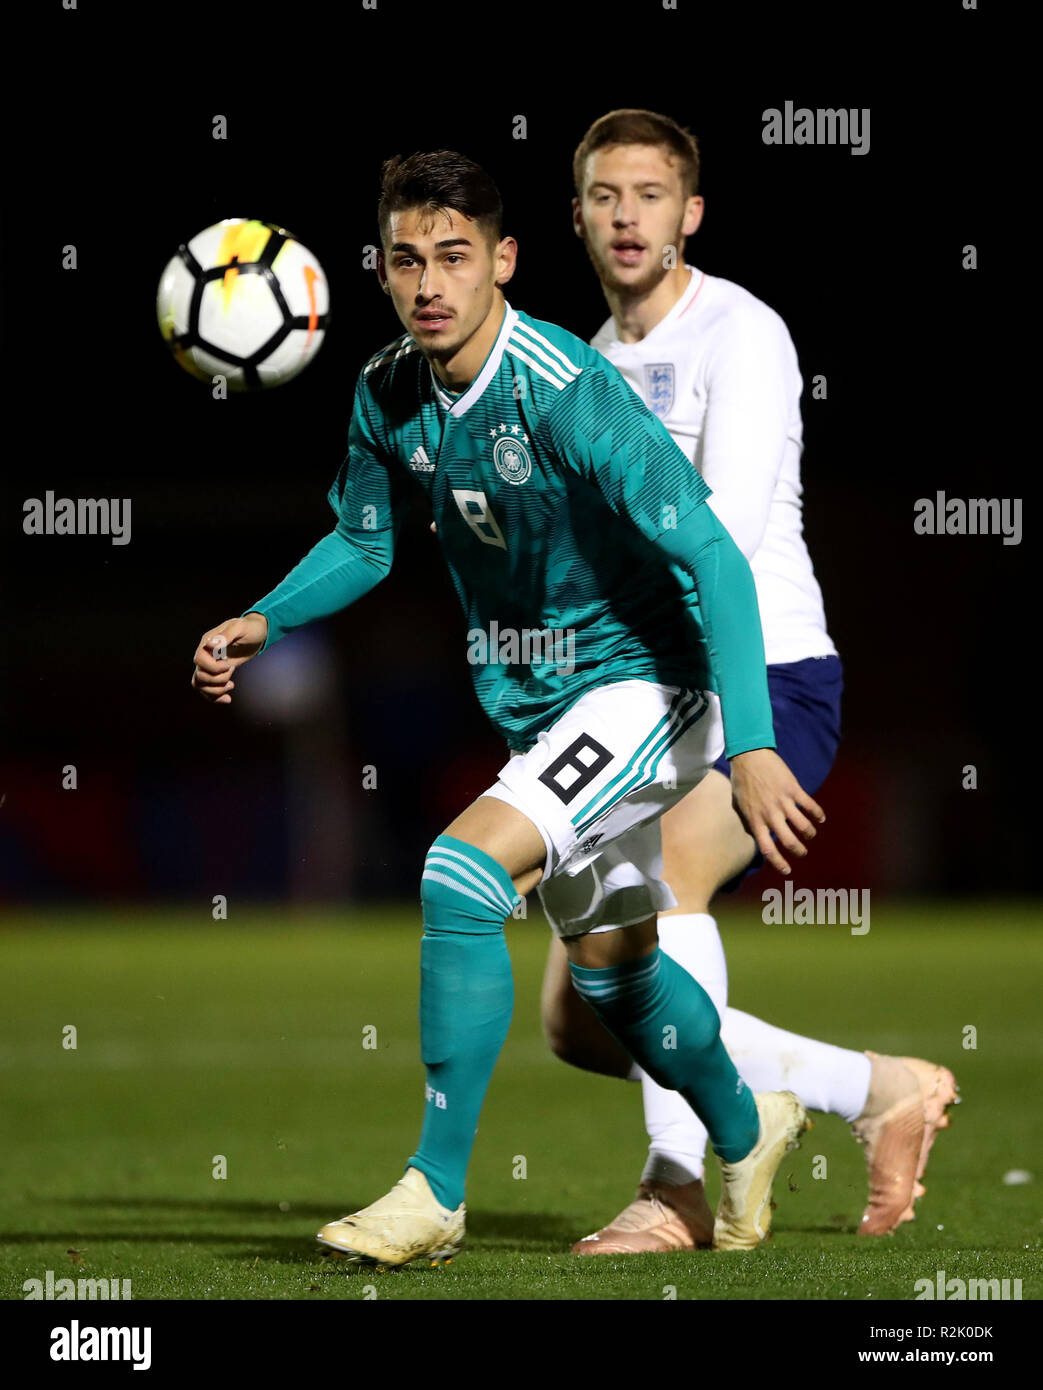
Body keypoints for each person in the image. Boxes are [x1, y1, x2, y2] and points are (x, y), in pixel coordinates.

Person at [191, 148, 825, 1267]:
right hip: (538, 704)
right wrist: (266, 616)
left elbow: (716, 559)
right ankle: (749, 1120)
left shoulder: (569, 391)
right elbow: (365, 538)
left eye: (454, 257)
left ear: (503, 261)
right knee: (610, 973)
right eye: (405, 260)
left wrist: (757, 746)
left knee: (460, 871)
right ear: (378, 271)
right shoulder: (389, 386)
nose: (429, 283)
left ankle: (432, 1190)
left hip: (649, 687)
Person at [539, 109, 957, 1254]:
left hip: (758, 671)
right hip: (643, 691)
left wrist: (756, 736)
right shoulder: (584, 363)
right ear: (575, 213)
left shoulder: (743, 333)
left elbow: (713, 534)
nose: (627, 216)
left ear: (689, 215)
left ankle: (678, 1186)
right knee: (577, 1016)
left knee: (666, 884)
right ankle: (868, 1086)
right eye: (604, 195)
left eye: (649, 195)